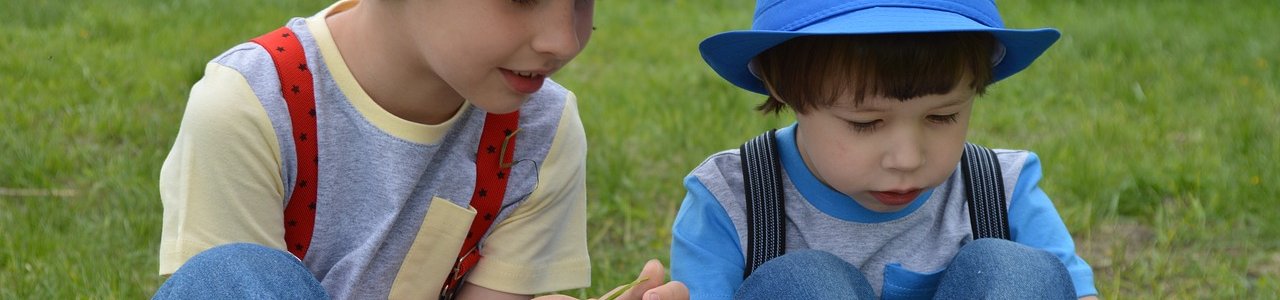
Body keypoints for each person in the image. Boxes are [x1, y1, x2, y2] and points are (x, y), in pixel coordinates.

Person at [155, 0, 686, 299]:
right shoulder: (254, 103)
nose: (564, 41)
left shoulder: (537, 128)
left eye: (582, 2)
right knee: (235, 275)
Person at [670, 0, 1098, 299]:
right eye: (865, 123)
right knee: (802, 283)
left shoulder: (1001, 191)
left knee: (1019, 272)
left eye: (943, 116)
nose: (907, 159)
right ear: (781, 86)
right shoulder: (732, 201)